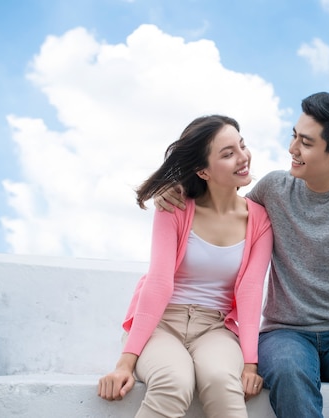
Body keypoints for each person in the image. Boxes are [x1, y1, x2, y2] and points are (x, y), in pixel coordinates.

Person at [156, 93, 329, 417]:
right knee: (292, 375)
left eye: (305, 142)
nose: (292, 148)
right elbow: (224, 207)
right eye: (294, 136)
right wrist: (180, 189)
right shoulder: (274, 188)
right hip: (282, 334)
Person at [98, 115, 273, 418]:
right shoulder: (175, 207)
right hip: (162, 323)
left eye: (241, 146)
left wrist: (249, 363)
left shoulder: (260, 220)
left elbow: (250, 289)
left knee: (222, 381)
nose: (243, 158)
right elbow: (158, 281)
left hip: (216, 328)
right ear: (203, 170)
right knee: (173, 383)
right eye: (228, 154)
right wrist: (125, 363)